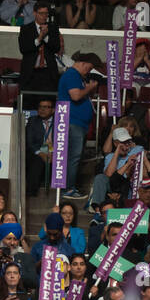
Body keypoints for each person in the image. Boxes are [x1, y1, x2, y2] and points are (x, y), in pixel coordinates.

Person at [57, 52, 103, 197]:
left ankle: (69, 187)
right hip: (72, 122)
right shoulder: (72, 75)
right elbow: (75, 95)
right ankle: (68, 188)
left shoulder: (76, 76)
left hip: (78, 123)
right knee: (73, 157)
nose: (88, 72)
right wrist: (90, 88)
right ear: (83, 63)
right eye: (89, 68)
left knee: (74, 157)